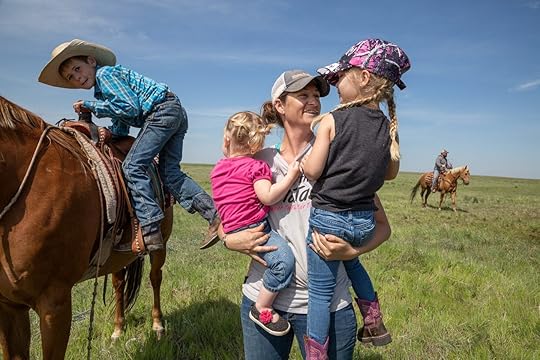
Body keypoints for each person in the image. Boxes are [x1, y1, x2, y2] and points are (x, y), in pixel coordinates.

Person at [219, 70, 394, 360]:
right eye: (303, 95)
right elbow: (225, 219)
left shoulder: (338, 152)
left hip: (330, 306)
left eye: (316, 95)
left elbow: (383, 227)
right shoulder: (258, 161)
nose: (313, 101)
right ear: (279, 105)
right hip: (264, 301)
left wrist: (353, 250)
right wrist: (229, 240)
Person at [38, 39, 220, 252]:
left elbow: (130, 108)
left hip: (160, 112)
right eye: (71, 77)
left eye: (78, 69)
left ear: (91, 60)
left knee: (132, 166)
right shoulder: (105, 87)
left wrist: (90, 105)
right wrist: (111, 132)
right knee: (170, 172)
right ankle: (214, 215)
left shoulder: (105, 75)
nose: (78, 77)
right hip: (174, 110)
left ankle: (150, 228)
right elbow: (123, 123)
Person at [300, 38, 410, 355]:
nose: (335, 84)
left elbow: (314, 171)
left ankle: (317, 352)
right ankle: (374, 322)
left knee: (320, 293)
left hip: (328, 219)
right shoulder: (388, 126)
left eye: (339, 77)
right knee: (353, 262)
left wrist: (307, 160)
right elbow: (390, 174)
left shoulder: (332, 120)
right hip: (363, 223)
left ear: (363, 77)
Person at [211, 111, 301, 336]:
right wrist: (290, 177)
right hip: (256, 227)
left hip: (232, 227)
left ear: (226, 140)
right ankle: (262, 306)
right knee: (283, 262)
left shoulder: (218, 170)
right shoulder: (256, 167)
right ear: (256, 145)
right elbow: (268, 197)